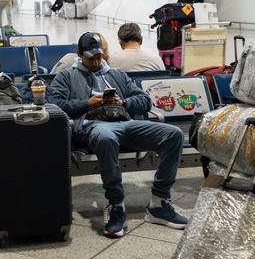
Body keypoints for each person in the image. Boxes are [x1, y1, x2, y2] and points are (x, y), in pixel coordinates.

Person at [47, 32, 187, 238]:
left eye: (99, 57)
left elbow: (144, 100)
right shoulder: (67, 76)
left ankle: (159, 203)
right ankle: (116, 205)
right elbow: (56, 105)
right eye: (90, 57)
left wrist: (124, 103)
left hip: (126, 123)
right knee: (106, 138)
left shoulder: (116, 74)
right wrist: (88, 104)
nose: (95, 62)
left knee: (173, 134)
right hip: (94, 125)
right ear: (79, 54)